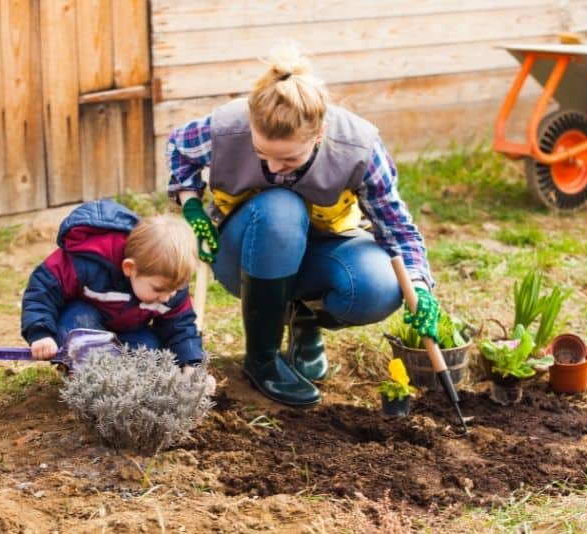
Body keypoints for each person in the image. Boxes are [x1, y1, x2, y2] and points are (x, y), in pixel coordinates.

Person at [167, 42, 440, 406]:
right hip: (243, 256)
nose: (275, 169)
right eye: (263, 155)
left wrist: (419, 287)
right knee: (280, 204)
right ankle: (262, 359)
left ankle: (305, 318)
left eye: (290, 158)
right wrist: (193, 209)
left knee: (378, 287)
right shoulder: (226, 129)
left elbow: (397, 230)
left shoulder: (358, 147)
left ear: (320, 135)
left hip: (322, 251)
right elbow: (179, 149)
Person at [21, 199, 205, 372]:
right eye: (158, 289)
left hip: (129, 331)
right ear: (130, 268)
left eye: (176, 289)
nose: (167, 297)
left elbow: (180, 327)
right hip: (85, 322)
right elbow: (42, 290)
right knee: (76, 326)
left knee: (154, 358)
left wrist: (191, 364)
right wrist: (40, 333)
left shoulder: (170, 287)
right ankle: (89, 373)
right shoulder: (88, 262)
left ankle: (121, 379)